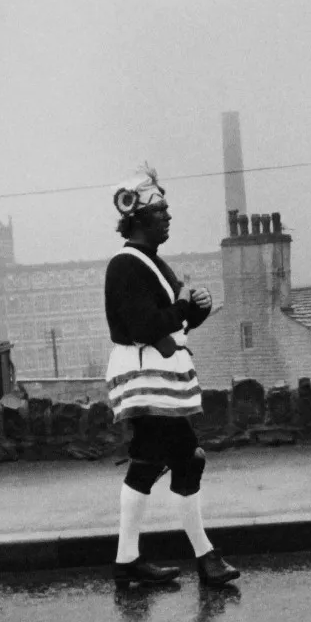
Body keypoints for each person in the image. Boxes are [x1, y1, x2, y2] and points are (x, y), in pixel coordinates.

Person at [104, 164, 240, 588]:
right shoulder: (125, 265)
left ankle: (129, 561)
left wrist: (195, 306)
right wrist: (182, 306)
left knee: (151, 462)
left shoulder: (152, 263)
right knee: (185, 458)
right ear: (140, 219)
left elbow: (175, 324)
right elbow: (145, 326)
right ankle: (204, 557)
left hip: (159, 374)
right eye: (161, 212)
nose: (168, 218)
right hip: (146, 376)